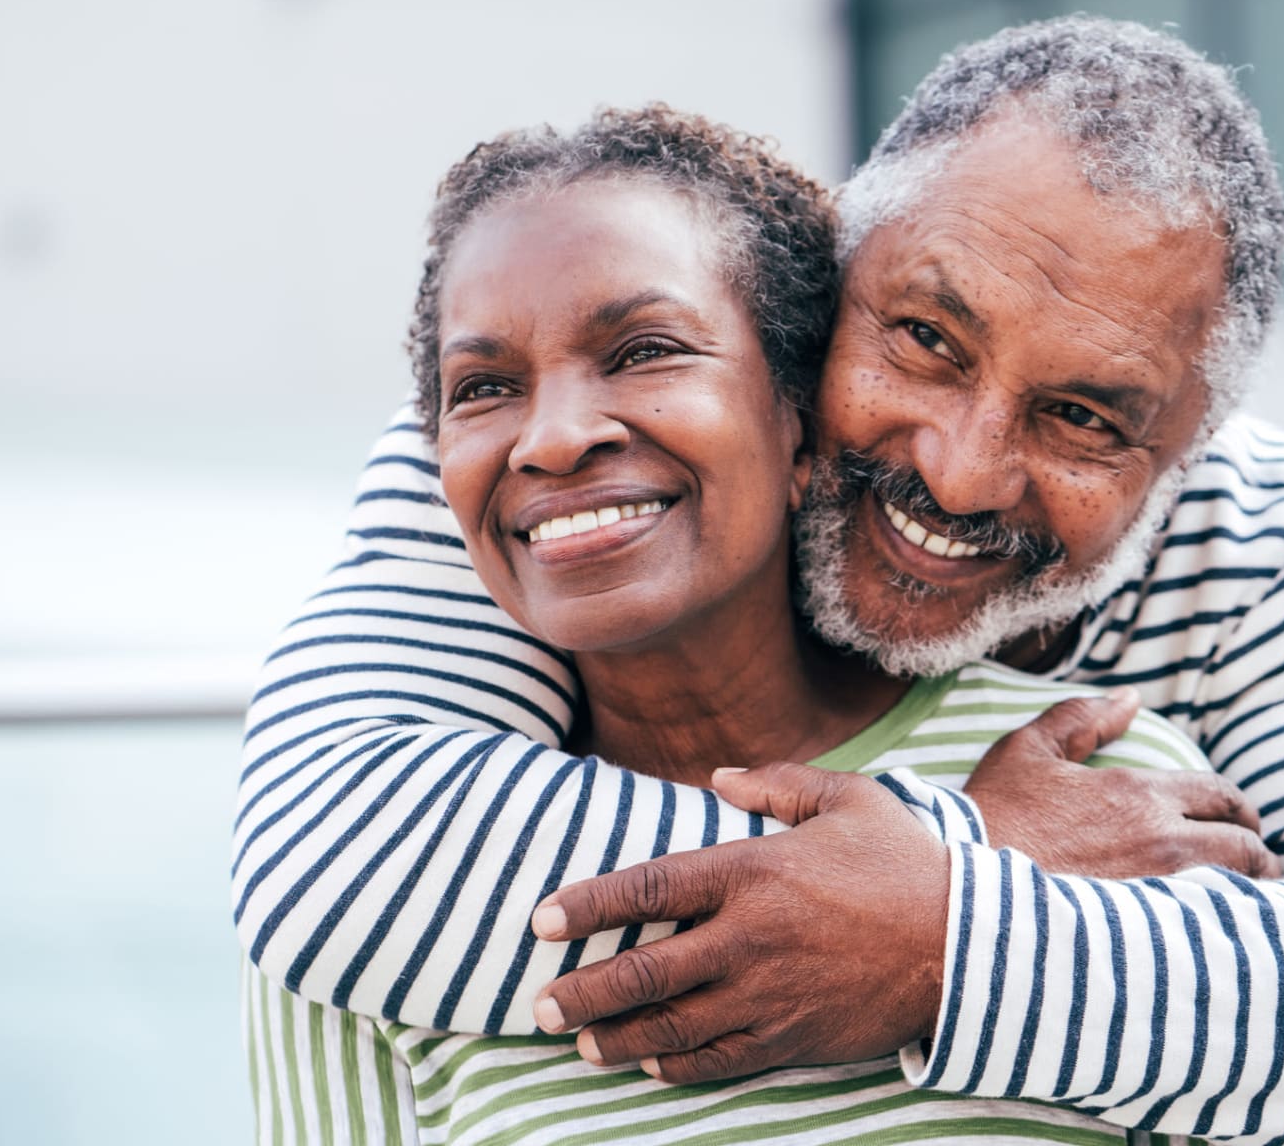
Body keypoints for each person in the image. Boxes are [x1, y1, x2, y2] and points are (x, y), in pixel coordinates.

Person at [234, 17, 1284, 1144]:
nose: (967, 469)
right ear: (827, 277)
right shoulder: (564, 468)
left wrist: (943, 936)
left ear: (1184, 459)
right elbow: (330, 847)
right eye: (925, 338)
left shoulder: (1280, 547)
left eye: (1086, 420)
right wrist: (961, 868)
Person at [245, 102, 1229, 1144]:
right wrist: (976, 859)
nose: (554, 437)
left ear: (798, 419)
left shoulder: (1109, 794)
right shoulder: (374, 916)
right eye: (483, 387)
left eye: (644, 350)